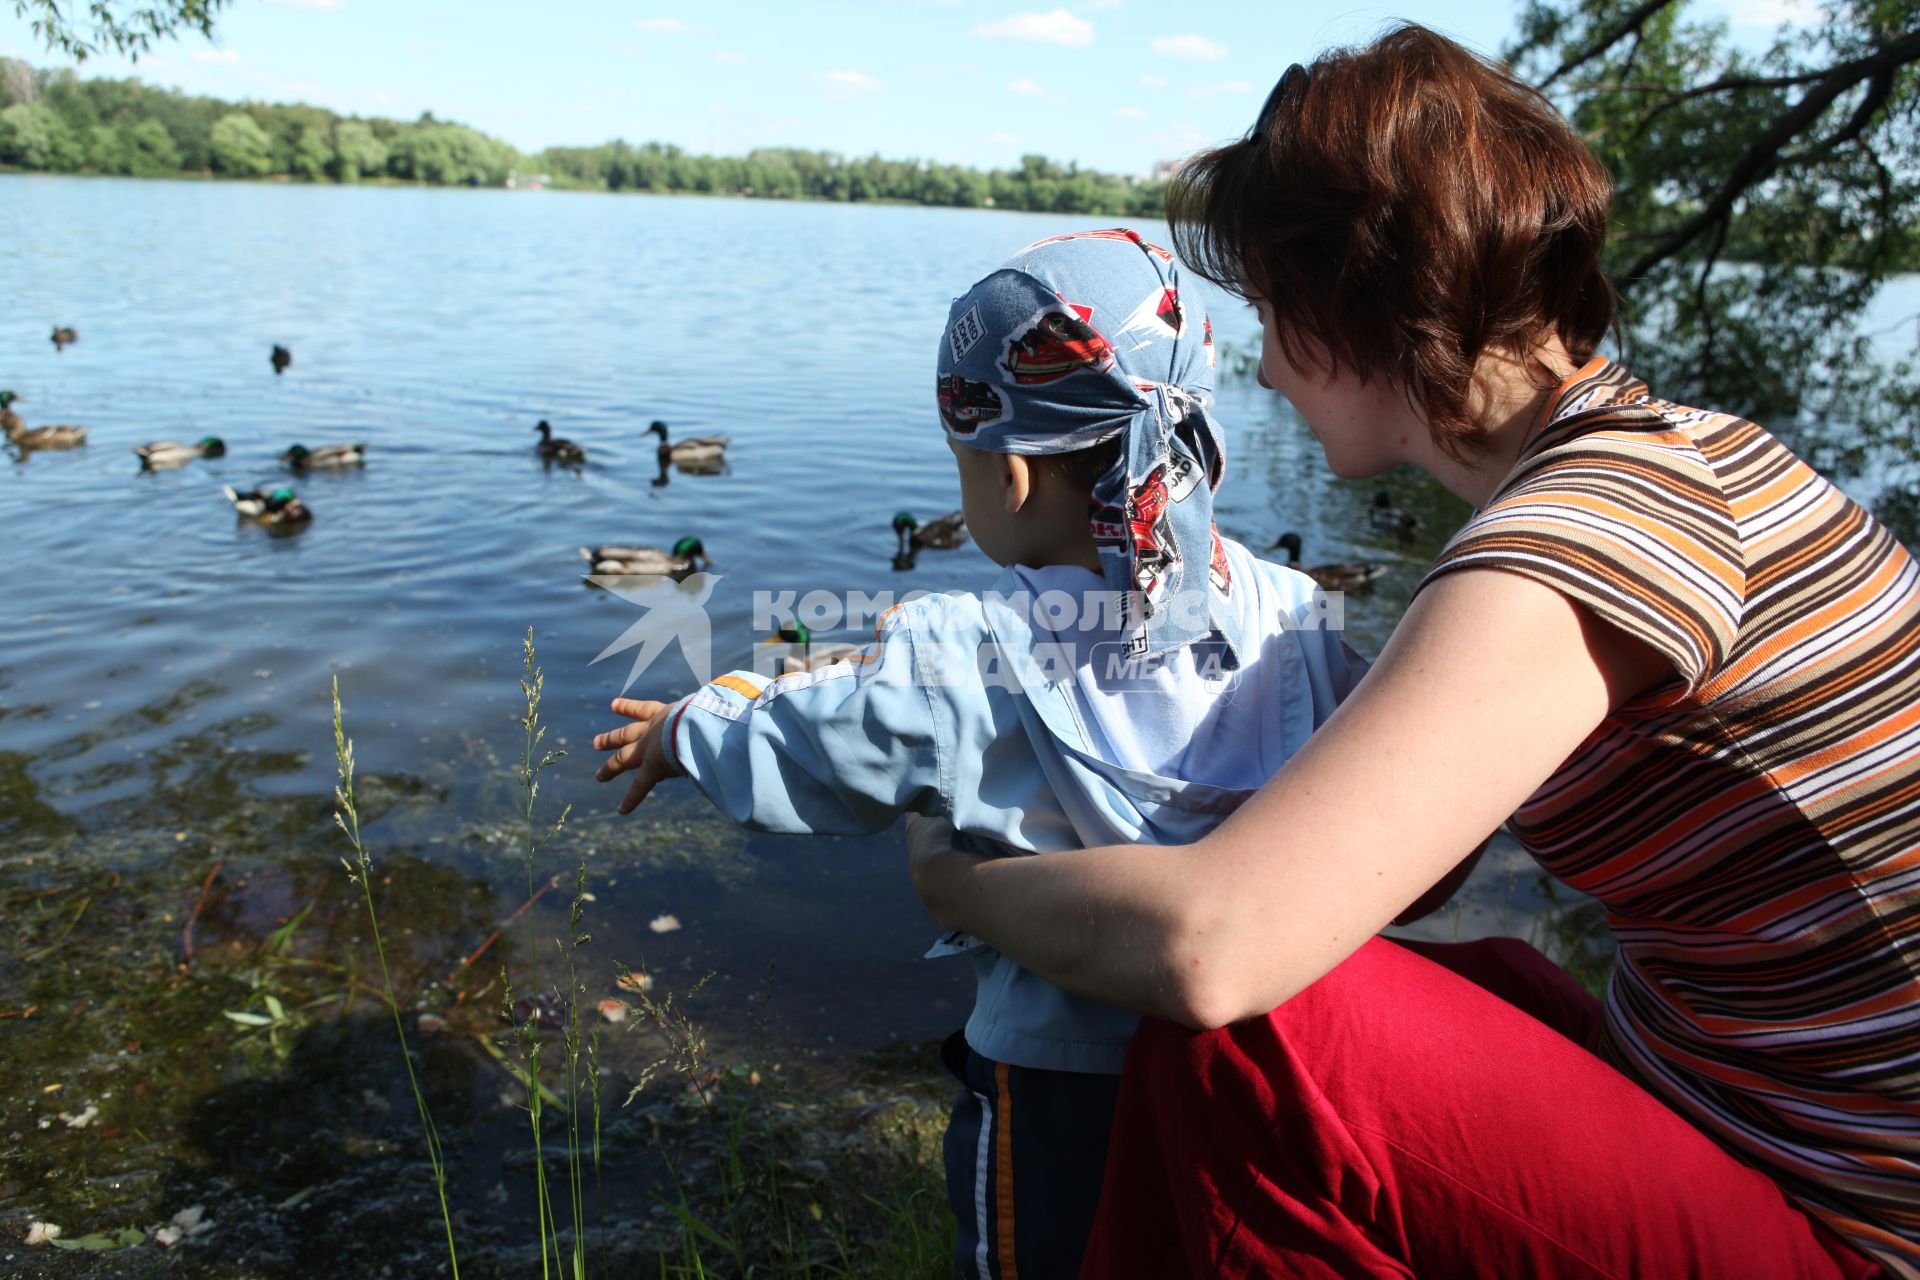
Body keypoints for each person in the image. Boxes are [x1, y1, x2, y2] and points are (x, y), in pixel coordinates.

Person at [907, 24, 1920, 1280]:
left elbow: (1211, 948)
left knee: (1261, 1031)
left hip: (1847, 1227)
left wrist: (963, 884)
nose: (1268, 369)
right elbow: (1415, 875)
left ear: (1363, 301)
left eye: (1278, 311)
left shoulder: (1594, 528)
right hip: (1735, 1111)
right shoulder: (1672, 458)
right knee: (1448, 966)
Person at [591, 228, 1368, 1277]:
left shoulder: (963, 650)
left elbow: (814, 740)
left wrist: (690, 726)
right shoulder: (1295, 615)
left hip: (1056, 1079)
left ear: (1006, 473)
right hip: (1267, 1056)